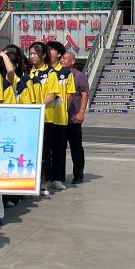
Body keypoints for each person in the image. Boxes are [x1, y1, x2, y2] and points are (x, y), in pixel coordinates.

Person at [28, 42, 60, 196]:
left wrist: (39, 106)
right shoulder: (29, 72)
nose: (32, 56)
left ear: (43, 55)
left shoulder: (51, 73)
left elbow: (52, 95)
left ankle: (44, 182)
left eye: (35, 53)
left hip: (45, 117)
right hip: (30, 118)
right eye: (30, 53)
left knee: (45, 151)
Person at [47, 41, 76, 190]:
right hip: (45, 117)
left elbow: (70, 94)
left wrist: (63, 110)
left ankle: (57, 178)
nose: (47, 52)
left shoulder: (66, 73)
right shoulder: (41, 71)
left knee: (58, 150)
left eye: (50, 50)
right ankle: (45, 178)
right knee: (45, 151)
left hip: (59, 118)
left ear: (59, 54)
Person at [61, 51, 88, 185]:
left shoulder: (79, 76)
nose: (62, 60)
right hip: (59, 119)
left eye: (65, 58)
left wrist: (81, 112)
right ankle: (59, 176)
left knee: (76, 148)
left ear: (72, 62)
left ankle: (78, 174)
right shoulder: (57, 74)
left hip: (73, 119)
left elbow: (84, 95)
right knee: (59, 149)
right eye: (62, 58)